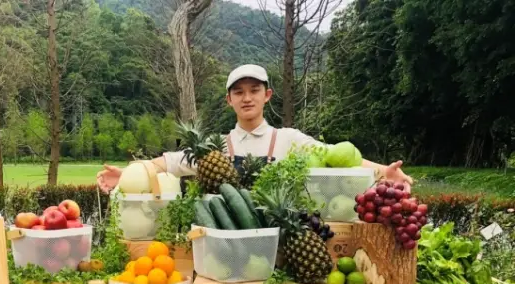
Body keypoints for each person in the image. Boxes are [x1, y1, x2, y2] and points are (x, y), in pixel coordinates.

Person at [96, 64, 413, 193]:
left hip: (282, 246)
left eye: (254, 90)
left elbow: (335, 156)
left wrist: (385, 170)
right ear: (229, 100)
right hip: (229, 250)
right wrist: (125, 174)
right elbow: (168, 162)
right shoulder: (214, 147)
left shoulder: (288, 139)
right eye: (239, 92)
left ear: (267, 95)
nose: (247, 97)